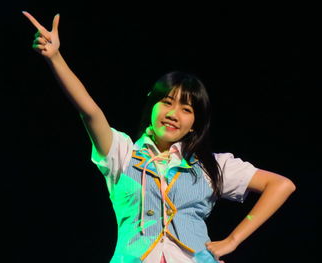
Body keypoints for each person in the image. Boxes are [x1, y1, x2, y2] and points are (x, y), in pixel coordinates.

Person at [22, 11, 296, 263]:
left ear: (194, 125)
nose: (174, 113)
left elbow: (281, 185)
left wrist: (233, 240)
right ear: (151, 105)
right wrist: (55, 58)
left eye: (186, 109)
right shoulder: (122, 154)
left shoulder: (212, 166)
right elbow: (90, 112)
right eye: (167, 102)